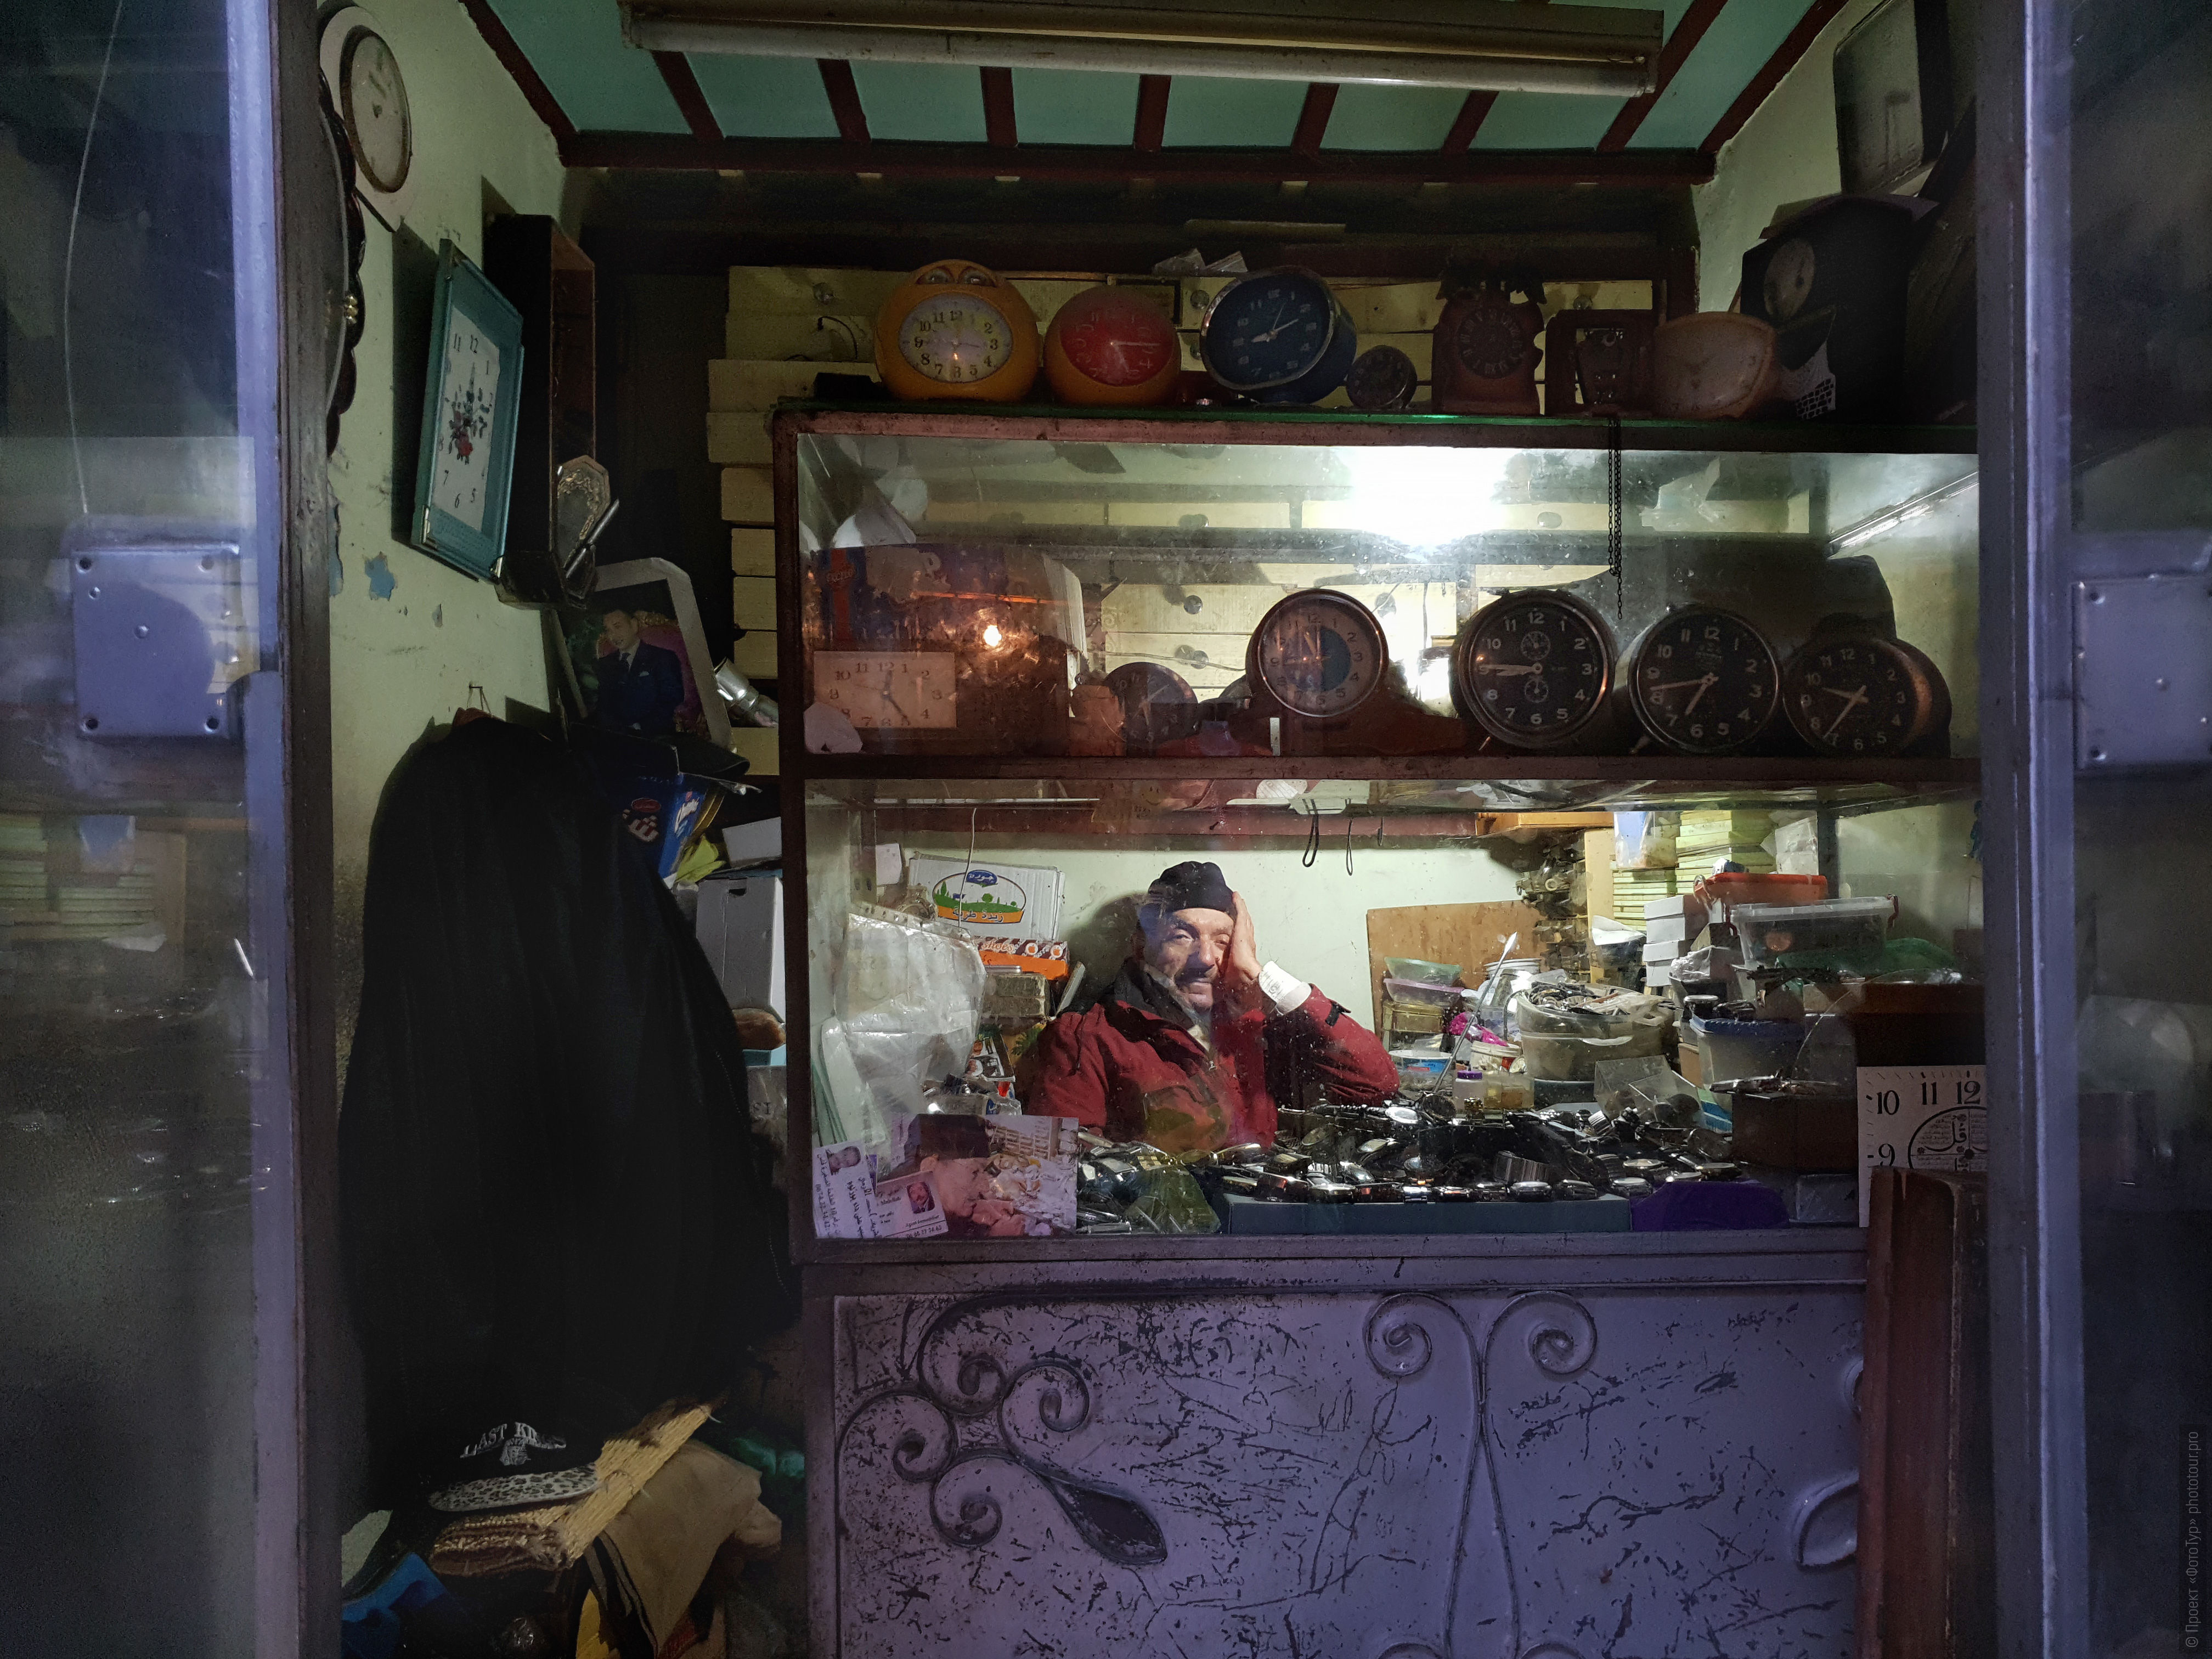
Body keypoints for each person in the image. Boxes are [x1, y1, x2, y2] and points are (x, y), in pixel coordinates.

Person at [1023, 860, 1397, 1152]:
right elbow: (1063, 1171)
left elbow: (1376, 1084)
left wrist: (1263, 975)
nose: (1204, 958)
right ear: (1142, 947)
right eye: (1182, 936)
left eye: (1223, 941)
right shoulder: (1084, 1038)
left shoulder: (1258, 1029)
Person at [592, 607, 686, 735]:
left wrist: (640, 728)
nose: (613, 636)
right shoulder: (605, 664)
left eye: (618, 627)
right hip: (615, 736)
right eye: (609, 631)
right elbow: (604, 703)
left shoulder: (662, 658)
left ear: (634, 625)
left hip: (654, 735)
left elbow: (672, 697)